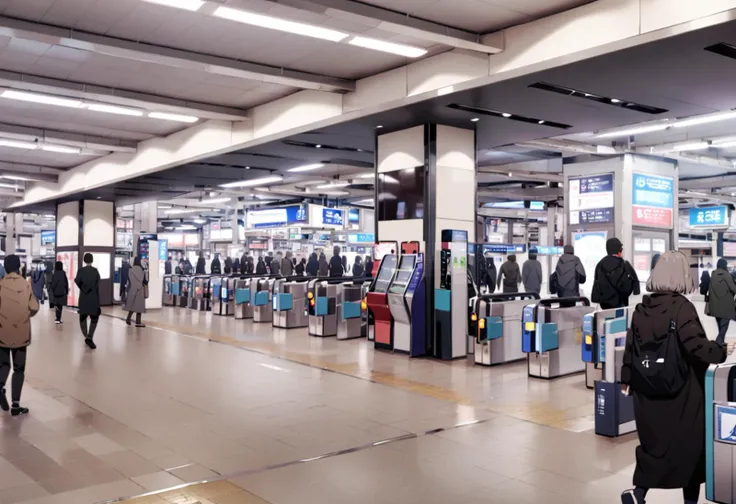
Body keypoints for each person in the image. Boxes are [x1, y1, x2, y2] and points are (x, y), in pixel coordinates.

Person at [621, 250, 727, 504]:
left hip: (647, 391)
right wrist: (722, 350)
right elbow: (697, 348)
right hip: (682, 393)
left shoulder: (641, 309)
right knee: (688, 448)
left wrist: (627, 380)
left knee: (654, 447)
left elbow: (630, 349)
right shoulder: (682, 307)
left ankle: (638, 493)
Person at [0, 255, 39, 416]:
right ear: (18, 267)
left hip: (2, 332)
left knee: (3, 365)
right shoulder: (26, 284)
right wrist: (24, 315)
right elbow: (34, 307)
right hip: (21, 332)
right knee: (19, 369)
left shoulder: (0, 285)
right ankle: (16, 405)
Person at [591, 238, 640, 309]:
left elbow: (596, 282)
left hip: (604, 304)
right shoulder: (624, 264)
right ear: (619, 251)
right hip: (620, 302)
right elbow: (635, 281)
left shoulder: (600, 264)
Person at [707, 258, 736, 345]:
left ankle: (721, 342)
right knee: (724, 326)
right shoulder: (726, 275)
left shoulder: (713, 274)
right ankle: (718, 342)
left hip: (714, 305)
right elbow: (733, 288)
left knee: (720, 325)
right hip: (726, 305)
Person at [75, 253, 100, 350]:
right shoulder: (95, 271)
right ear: (92, 260)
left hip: (84, 298)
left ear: (84, 260)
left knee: (82, 317)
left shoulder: (80, 271)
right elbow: (97, 285)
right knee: (94, 318)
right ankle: (90, 336)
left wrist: (85, 289)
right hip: (94, 298)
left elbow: (77, 281)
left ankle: (86, 336)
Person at [124, 257, 148, 328]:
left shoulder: (130, 270)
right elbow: (145, 281)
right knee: (139, 307)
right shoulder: (142, 271)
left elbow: (128, 281)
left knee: (132, 305)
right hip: (140, 290)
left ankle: (128, 318)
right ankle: (138, 322)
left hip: (132, 289)